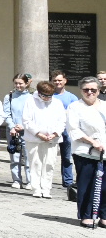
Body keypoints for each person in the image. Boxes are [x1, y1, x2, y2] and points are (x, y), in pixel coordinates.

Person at [66, 76, 106, 225]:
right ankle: (86, 215)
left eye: (93, 90)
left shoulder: (104, 105)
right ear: (81, 90)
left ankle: (104, 215)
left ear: (99, 90)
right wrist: (92, 142)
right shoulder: (75, 107)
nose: (90, 92)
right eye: (86, 89)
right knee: (87, 185)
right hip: (85, 152)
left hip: (104, 152)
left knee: (105, 186)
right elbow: (73, 129)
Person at [24, 80, 67, 199]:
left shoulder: (57, 103)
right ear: (39, 93)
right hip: (34, 138)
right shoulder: (30, 101)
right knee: (35, 163)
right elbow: (27, 120)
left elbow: (62, 121)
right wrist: (38, 134)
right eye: (44, 96)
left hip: (52, 138)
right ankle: (36, 188)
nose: (47, 98)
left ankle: (46, 188)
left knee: (49, 163)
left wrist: (55, 133)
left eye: (50, 96)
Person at [52, 71, 79, 197]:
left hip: (67, 131)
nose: (57, 82)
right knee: (50, 157)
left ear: (65, 81)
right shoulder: (50, 96)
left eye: (59, 80)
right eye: (55, 80)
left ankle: (68, 181)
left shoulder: (71, 97)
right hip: (52, 130)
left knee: (67, 157)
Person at [5, 74, 32, 189]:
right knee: (14, 157)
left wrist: (24, 126)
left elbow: (33, 115)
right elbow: (6, 113)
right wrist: (12, 126)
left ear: (26, 83)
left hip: (27, 131)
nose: (18, 85)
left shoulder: (32, 98)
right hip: (13, 131)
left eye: (20, 83)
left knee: (29, 158)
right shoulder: (9, 96)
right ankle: (16, 180)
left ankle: (30, 181)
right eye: (16, 83)